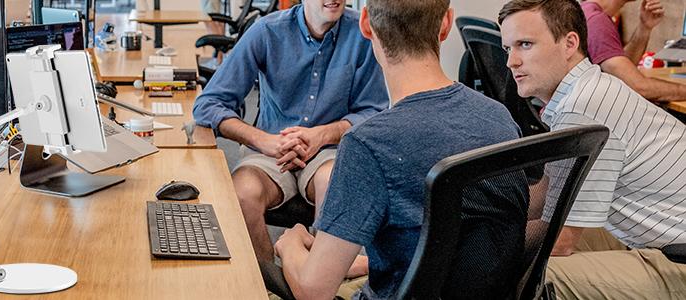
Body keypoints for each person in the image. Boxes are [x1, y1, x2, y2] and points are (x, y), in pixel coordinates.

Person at [274, 0, 528, 298]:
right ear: (446, 23)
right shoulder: (498, 118)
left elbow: (313, 290)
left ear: (366, 23)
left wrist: (290, 243)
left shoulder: (368, 143)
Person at [499, 0, 686, 298]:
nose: (512, 62)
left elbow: (561, 241)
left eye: (525, 45)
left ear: (569, 43)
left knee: (536, 273)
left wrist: (478, 242)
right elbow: (549, 191)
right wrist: (485, 211)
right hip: (656, 238)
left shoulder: (584, 107)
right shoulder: (584, 91)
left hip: (675, 260)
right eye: (508, 49)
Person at [192, 0, 389, 265]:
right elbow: (208, 104)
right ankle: (267, 286)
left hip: (328, 150)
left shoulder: (362, 34)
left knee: (334, 183)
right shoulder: (267, 31)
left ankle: (321, 281)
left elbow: (374, 111)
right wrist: (262, 140)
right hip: (269, 150)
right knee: (240, 194)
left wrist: (322, 134)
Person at [580, 0, 686, 101]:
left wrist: (644, 28)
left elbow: (622, 71)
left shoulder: (588, 11)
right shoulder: (596, 21)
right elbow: (639, 87)